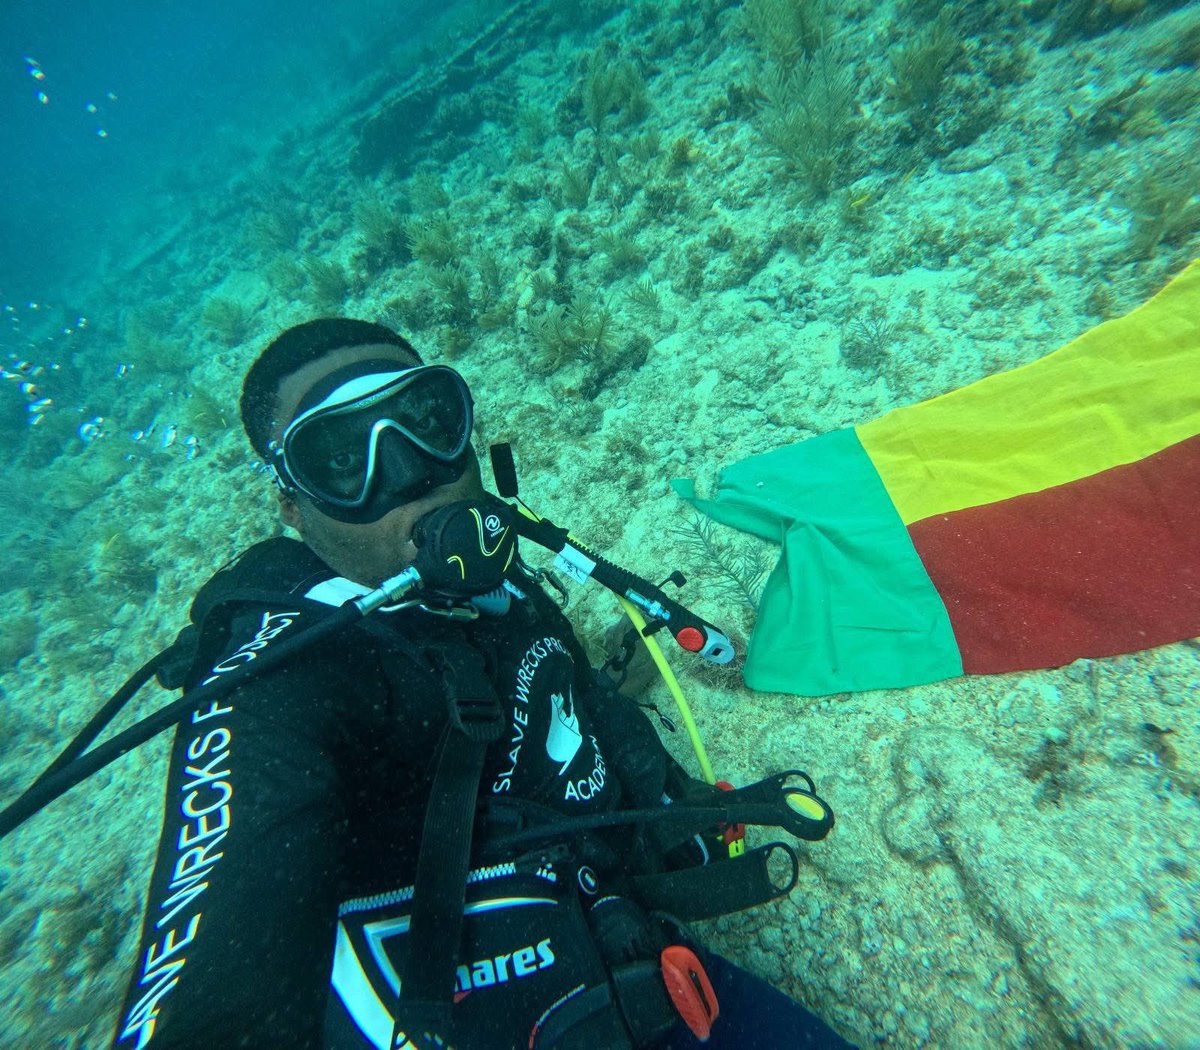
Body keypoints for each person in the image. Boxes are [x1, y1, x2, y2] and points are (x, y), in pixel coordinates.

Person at [112, 318, 857, 1049]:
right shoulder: (281, 680)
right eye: (342, 457)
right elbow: (216, 989)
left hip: (637, 954)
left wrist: (659, 793)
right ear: (291, 502)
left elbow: (562, 696)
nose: (412, 474)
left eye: (423, 419)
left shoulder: (495, 572)